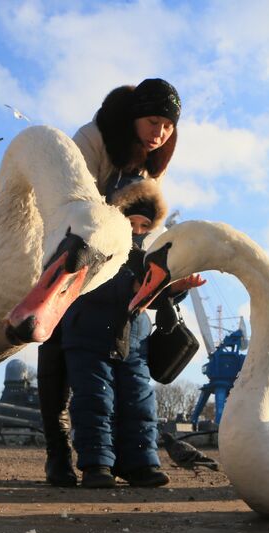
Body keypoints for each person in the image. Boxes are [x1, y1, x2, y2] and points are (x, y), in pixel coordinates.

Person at [37, 78, 182, 487]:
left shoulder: (153, 160)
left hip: (118, 278)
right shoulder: (90, 141)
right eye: (153, 122)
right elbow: (66, 203)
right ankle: (60, 451)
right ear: (134, 118)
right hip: (65, 240)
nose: (160, 133)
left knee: (129, 388)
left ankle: (132, 461)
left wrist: (165, 280)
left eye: (168, 126)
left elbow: (143, 223)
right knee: (57, 351)